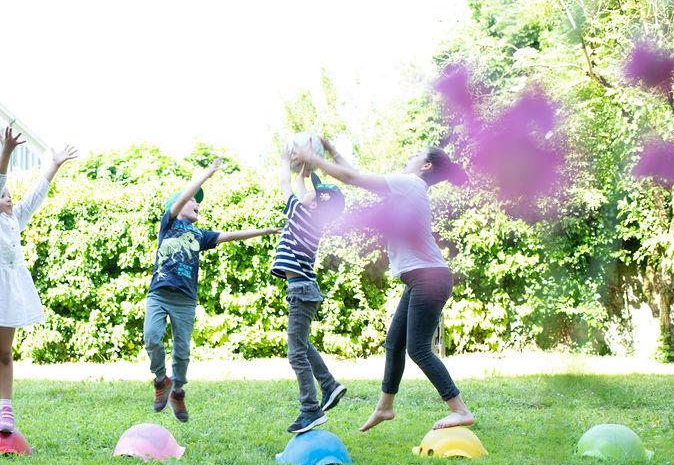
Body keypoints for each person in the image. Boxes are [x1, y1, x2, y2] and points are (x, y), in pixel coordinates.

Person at [293, 142, 475, 431]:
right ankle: (384, 407)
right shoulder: (406, 188)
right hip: (420, 277)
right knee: (394, 343)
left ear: (426, 165)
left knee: (418, 349)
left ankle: (460, 410)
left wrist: (312, 157)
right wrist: (328, 148)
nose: (408, 155)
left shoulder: (411, 185)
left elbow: (351, 179)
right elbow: (354, 174)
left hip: (429, 277)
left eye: (416, 154)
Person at [144, 157, 277, 422]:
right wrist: (207, 174)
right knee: (152, 337)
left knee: (182, 352)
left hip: (185, 301)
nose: (197, 205)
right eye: (194, 200)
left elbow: (231, 235)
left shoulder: (200, 235)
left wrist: (266, 230)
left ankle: (177, 392)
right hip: (159, 295)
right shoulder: (168, 224)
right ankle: (161, 380)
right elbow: (185, 196)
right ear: (178, 205)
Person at [0, 126, 78, 433]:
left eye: (9, 195)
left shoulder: (13, 221)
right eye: (3, 195)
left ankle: (7, 411)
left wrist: (52, 167)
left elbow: (33, 198)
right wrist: (6, 153)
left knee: (5, 354)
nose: (9, 197)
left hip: (7, 293)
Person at [272, 146, 347, 433]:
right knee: (302, 344)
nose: (305, 193)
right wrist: (305, 169)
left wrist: (283, 161)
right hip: (304, 290)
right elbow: (303, 186)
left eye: (311, 195)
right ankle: (329, 384)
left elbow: (285, 185)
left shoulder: (301, 214)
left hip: (301, 290)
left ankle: (310, 409)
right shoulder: (312, 219)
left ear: (312, 204)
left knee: (296, 354)